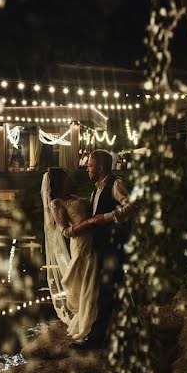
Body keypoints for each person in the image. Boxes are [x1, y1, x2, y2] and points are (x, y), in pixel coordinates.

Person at [63, 149, 137, 348]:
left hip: (113, 246)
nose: (87, 169)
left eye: (90, 166)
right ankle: (133, 330)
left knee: (106, 292)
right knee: (115, 288)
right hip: (101, 248)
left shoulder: (117, 184)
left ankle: (95, 341)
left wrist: (105, 218)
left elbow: (133, 206)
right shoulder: (95, 190)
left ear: (101, 167)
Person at [41, 167, 100, 341]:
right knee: (86, 282)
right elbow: (65, 231)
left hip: (93, 242)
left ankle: (97, 320)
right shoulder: (57, 203)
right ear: (59, 183)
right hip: (80, 244)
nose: (71, 180)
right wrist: (88, 223)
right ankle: (88, 324)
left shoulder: (74, 198)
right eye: (67, 179)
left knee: (94, 283)